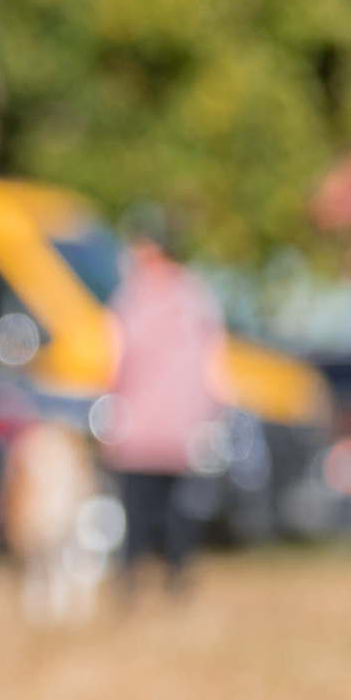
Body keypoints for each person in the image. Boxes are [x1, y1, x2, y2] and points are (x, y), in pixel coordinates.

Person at [101, 206, 225, 591]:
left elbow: (112, 359)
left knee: (150, 509)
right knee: (163, 508)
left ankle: (150, 575)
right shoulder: (191, 294)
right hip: (170, 424)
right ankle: (159, 576)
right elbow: (214, 357)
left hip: (151, 423)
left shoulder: (134, 298)